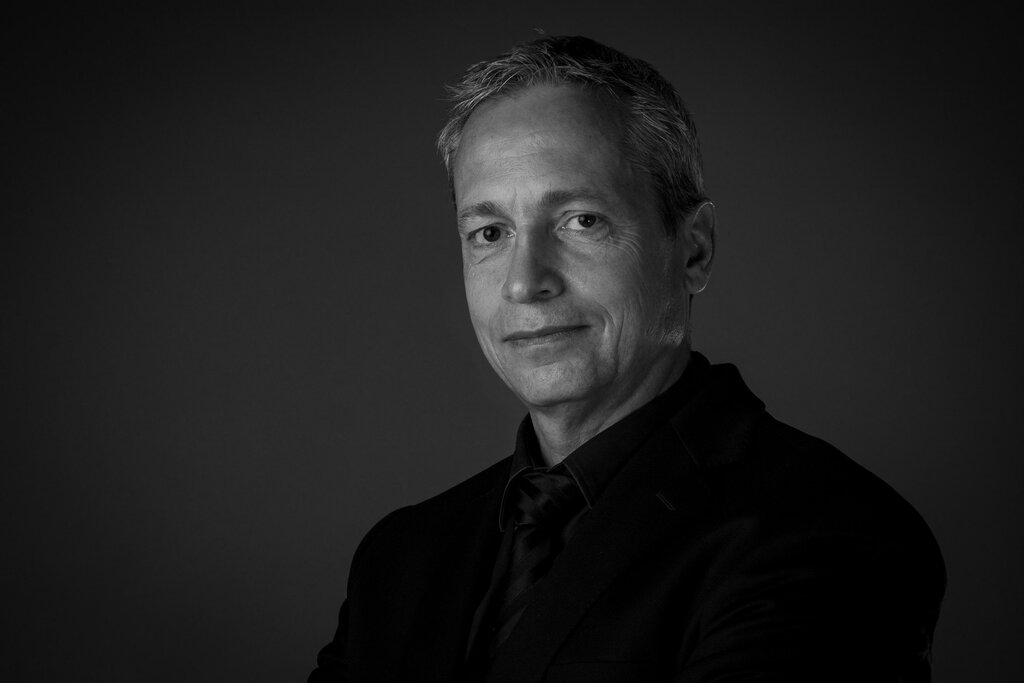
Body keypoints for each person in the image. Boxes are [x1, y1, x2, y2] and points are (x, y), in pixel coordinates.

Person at [309, 35, 945, 682]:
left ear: (693, 250)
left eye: (581, 220)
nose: (524, 282)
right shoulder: (400, 558)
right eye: (490, 233)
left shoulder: (828, 531)